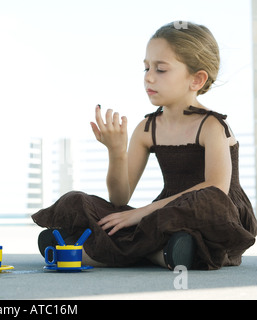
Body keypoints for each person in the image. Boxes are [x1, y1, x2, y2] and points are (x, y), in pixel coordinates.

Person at [33, 21, 257, 270]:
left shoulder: (212, 126)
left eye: (161, 69)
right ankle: (163, 253)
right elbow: (119, 198)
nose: (149, 77)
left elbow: (216, 189)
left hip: (213, 216)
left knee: (206, 202)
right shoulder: (147, 128)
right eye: (146, 68)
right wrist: (116, 152)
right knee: (76, 200)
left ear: (196, 79)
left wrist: (142, 213)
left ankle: (88, 250)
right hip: (164, 216)